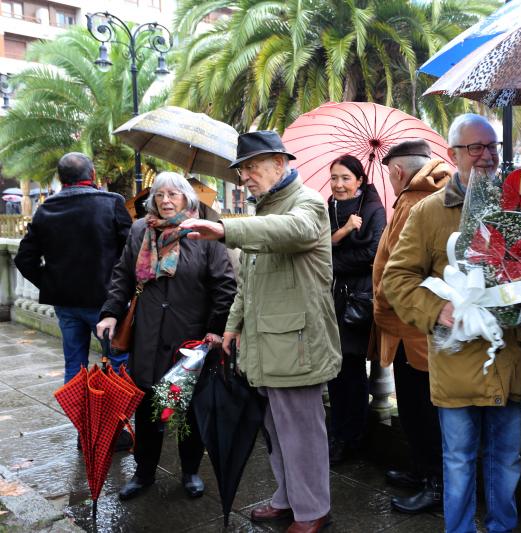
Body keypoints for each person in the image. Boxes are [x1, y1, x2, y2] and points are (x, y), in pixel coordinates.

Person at [180, 131, 342, 533]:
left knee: (301, 432)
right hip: (268, 343)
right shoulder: (266, 209)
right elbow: (248, 282)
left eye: (252, 167)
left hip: (296, 343)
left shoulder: (309, 203)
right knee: (275, 430)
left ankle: (312, 510)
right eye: (241, 170)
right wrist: (232, 326)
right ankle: (288, 499)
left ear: (280, 163)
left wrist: (225, 230)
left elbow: (293, 230)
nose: (245, 177)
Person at [382, 114, 521, 533]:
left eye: (492, 147)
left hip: (507, 357)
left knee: (505, 460)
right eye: (475, 148)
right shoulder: (429, 212)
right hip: (455, 362)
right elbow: (396, 278)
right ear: (453, 155)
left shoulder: (520, 206)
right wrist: (437, 311)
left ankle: (503, 527)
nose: (486, 156)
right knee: (458, 459)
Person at [96, 172, 236, 501]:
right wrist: (110, 312)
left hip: (189, 339)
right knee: (146, 407)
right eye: (160, 195)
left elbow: (225, 285)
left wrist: (215, 329)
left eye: (173, 194)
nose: (166, 201)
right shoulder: (140, 230)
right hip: (147, 336)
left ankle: (189, 472)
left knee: (186, 407)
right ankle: (144, 474)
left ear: (187, 198)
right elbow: (122, 275)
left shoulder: (204, 232)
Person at [372, 139, 451, 513]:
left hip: (415, 324)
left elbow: (402, 270)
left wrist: (384, 305)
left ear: (398, 172)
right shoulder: (427, 195)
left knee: (423, 410)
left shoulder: (415, 200)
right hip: (415, 325)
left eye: (389, 175)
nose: (389, 181)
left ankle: (434, 483)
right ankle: (422, 472)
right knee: (415, 406)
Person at [15, 153, 131, 385]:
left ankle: (81, 420)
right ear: (93, 174)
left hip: (66, 303)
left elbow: (24, 259)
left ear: (60, 177)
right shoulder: (111, 202)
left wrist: (52, 283)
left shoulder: (46, 209)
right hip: (107, 302)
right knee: (118, 360)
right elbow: (131, 252)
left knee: (74, 366)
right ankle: (116, 419)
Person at [327, 155, 386, 464]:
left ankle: (353, 434)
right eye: (334, 177)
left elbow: (373, 253)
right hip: (333, 298)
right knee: (335, 369)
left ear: (360, 180)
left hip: (359, 299)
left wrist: (331, 260)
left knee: (352, 366)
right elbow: (318, 243)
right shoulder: (330, 206)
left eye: (345, 178)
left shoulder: (374, 209)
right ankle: (339, 432)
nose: (338, 184)